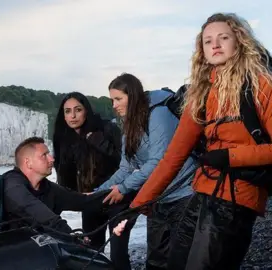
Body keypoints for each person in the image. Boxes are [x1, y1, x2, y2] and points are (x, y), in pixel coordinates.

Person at [115, 13, 272, 270]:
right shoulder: (202, 92)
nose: (215, 45)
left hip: (237, 199)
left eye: (224, 38)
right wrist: (138, 203)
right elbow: (173, 157)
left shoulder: (260, 85)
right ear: (202, 49)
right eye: (208, 41)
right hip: (202, 194)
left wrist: (230, 157)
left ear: (239, 42)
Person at [96, 73, 197, 270]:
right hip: (158, 197)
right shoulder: (129, 124)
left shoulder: (159, 113)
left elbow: (158, 161)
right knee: (155, 258)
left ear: (132, 96)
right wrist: (98, 191)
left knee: (180, 258)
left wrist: (124, 189)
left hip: (185, 192)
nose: (114, 105)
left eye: (118, 99)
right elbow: (126, 167)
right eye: (112, 100)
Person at [52, 92, 122, 248]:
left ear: (86, 111)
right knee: (92, 249)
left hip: (116, 197)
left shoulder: (107, 128)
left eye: (78, 110)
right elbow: (65, 175)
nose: (73, 116)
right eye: (68, 111)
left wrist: (97, 141)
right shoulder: (65, 139)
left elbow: (124, 160)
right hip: (90, 200)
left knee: (118, 251)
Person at [2, 137, 111, 236]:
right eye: (44, 155)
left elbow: (83, 201)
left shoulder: (47, 188)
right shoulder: (12, 185)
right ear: (28, 162)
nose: (51, 159)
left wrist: (119, 192)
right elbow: (36, 211)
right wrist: (70, 235)